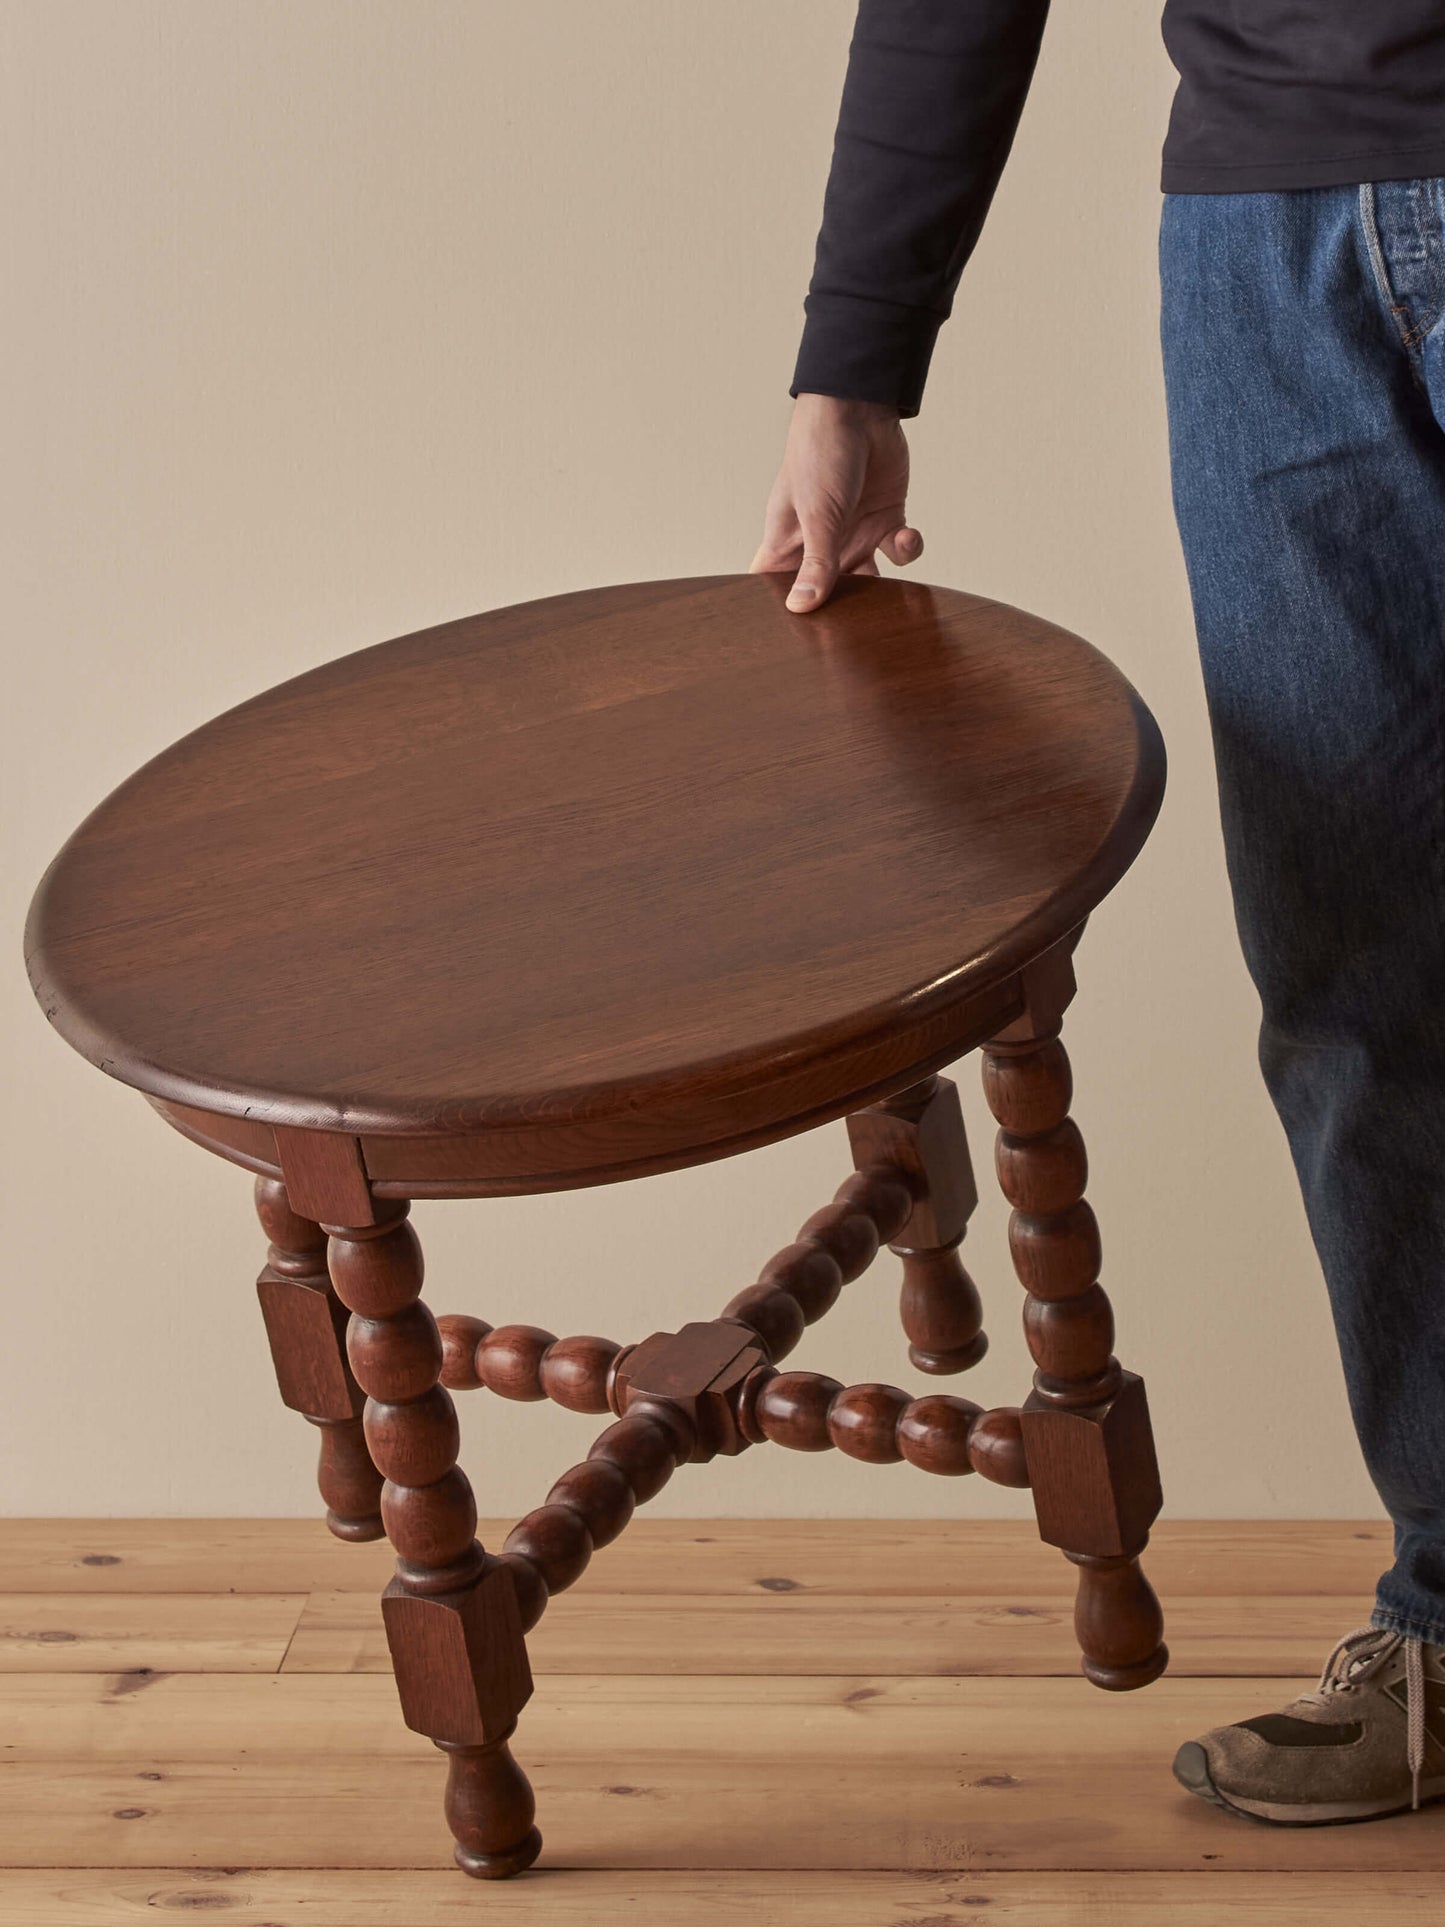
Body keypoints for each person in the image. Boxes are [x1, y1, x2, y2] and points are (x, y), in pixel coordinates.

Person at [751, 1, 1445, 1826]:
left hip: (1282, 234)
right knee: (1357, 992)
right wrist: (854, 362)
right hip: (1268, 239)